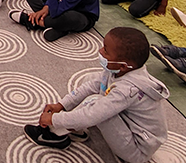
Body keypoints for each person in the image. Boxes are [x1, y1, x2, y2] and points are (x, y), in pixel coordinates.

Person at [24, 27, 168, 163]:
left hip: (136, 150)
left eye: (106, 50)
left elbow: (93, 114)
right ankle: (75, 127)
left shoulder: (127, 90)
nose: (100, 51)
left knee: (94, 104)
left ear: (123, 65)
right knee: (91, 81)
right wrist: (62, 104)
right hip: (129, 127)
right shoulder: (121, 70)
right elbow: (92, 85)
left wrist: (55, 119)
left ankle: (54, 134)